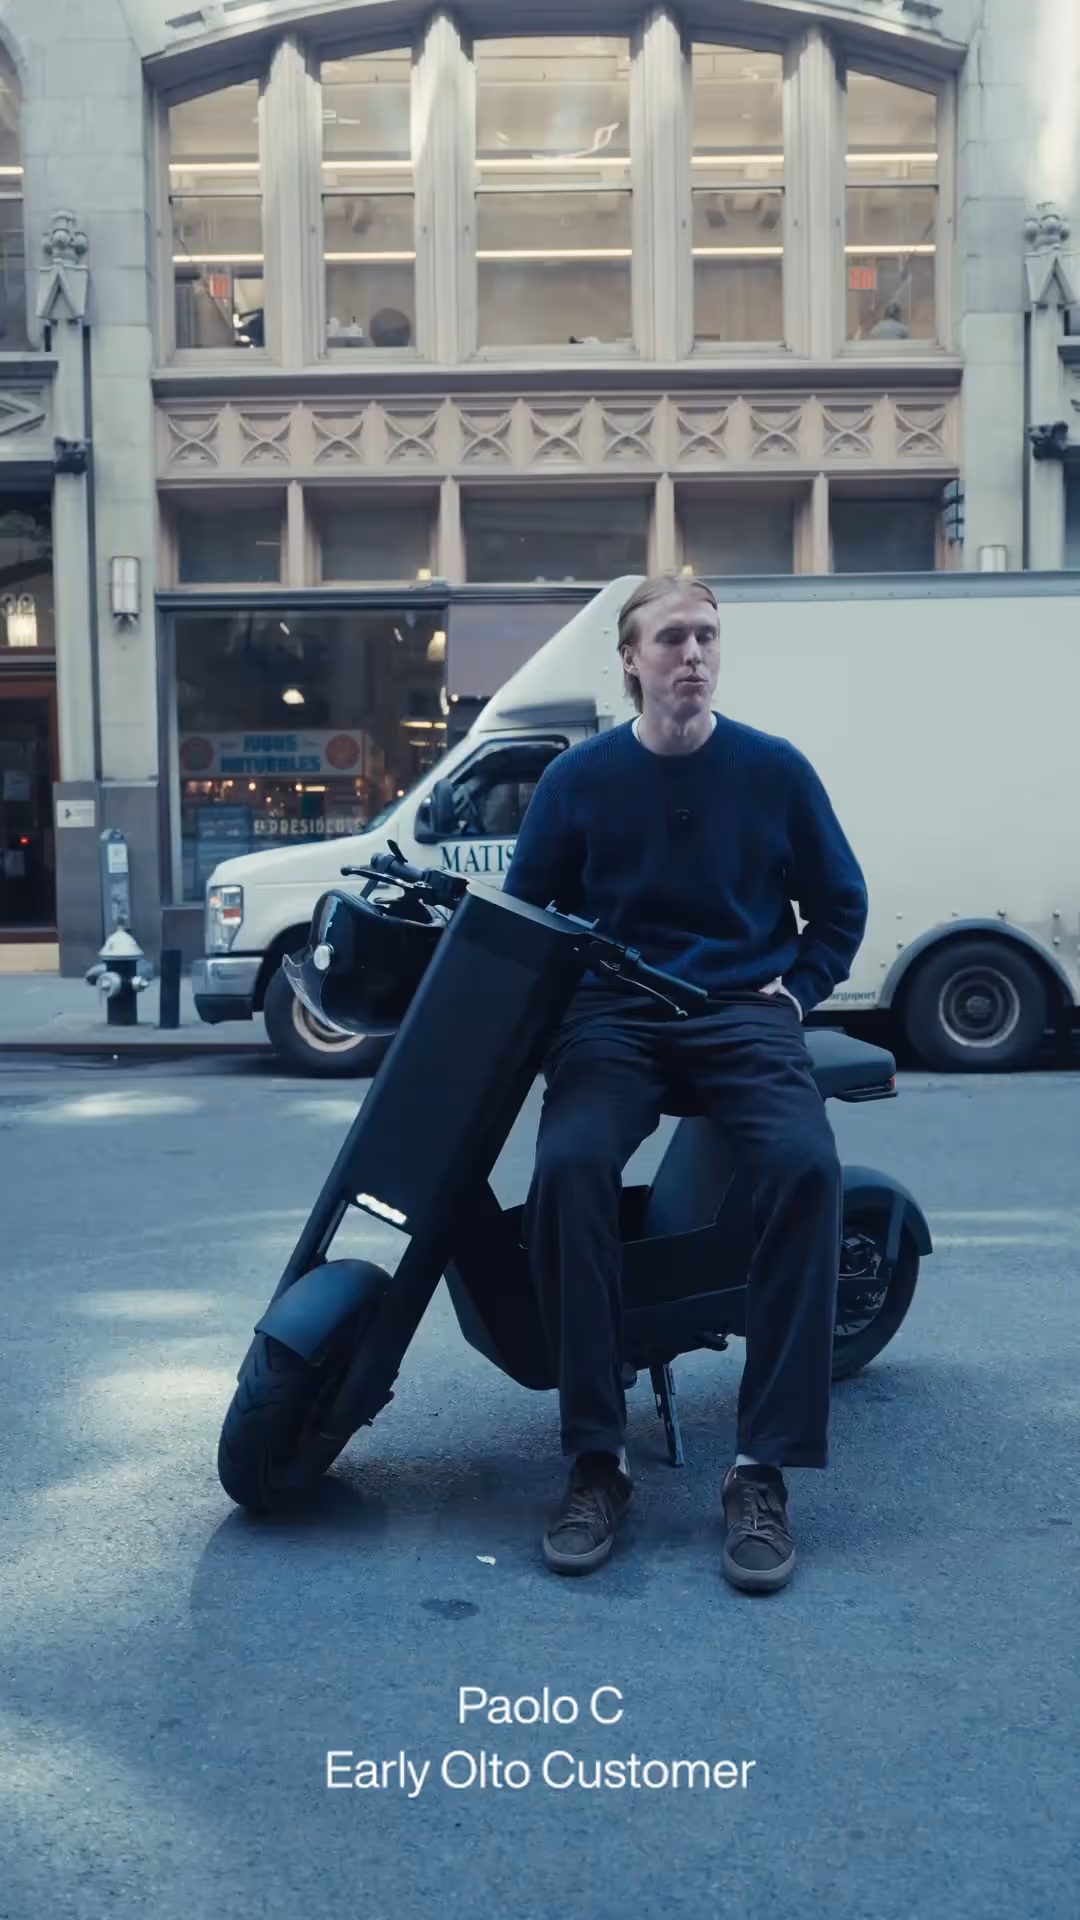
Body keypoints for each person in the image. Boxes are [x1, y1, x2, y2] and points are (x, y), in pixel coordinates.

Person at [502, 575, 868, 1593]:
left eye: (706, 636)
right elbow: (525, 921)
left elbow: (840, 903)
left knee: (804, 1169)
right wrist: (542, 1029)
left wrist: (799, 990)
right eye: (671, 638)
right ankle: (596, 1459)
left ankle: (761, 1469)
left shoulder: (773, 769)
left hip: (742, 1011)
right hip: (614, 1018)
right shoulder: (577, 781)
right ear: (630, 659)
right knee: (570, 1167)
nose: (693, 654)